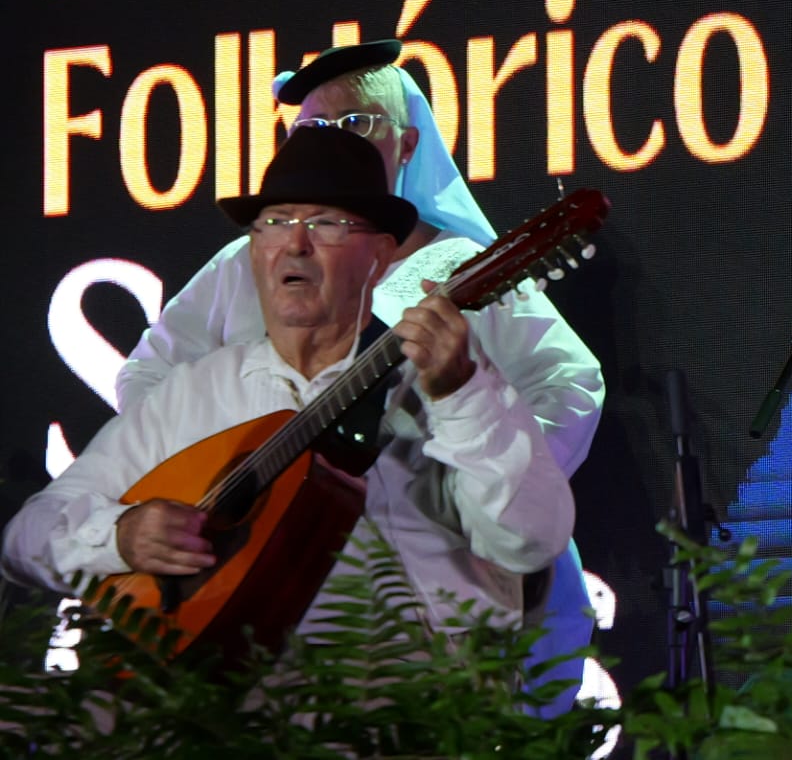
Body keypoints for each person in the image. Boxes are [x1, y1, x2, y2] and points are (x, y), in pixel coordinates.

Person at [113, 41, 603, 709]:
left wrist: (478, 489)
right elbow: (148, 377)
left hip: (413, 595)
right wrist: (221, 461)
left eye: (355, 123)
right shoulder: (245, 262)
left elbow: (568, 386)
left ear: (407, 144)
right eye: (314, 127)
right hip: (257, 582)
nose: (334, 140)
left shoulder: (458, 267)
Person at [2, 127, 573, 644]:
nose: (294, 244)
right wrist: (119, 536)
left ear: (379, 256)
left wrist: (463, 393)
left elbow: (529, 540)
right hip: (217, 701)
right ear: (253, 251)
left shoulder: (449, 387)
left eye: (326, 223)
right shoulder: (193, 395)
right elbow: (24, 539)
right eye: (275, 222)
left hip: (405, 705)